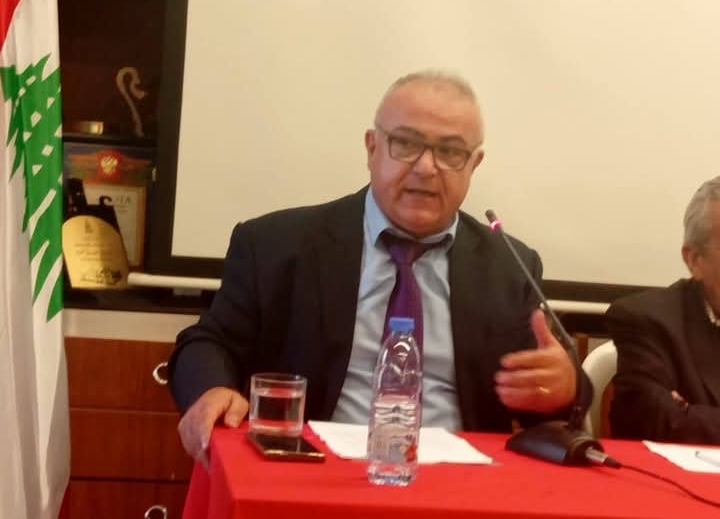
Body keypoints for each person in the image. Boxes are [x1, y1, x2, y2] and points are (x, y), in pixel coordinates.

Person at [169, 71, 590, 466]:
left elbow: (547, 397)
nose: (426, 167)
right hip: (311, 468)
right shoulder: (277, 245)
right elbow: (208, 342)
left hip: (459, 480)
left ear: (473, 165)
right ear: (372, 148)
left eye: (450, 152)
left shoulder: (509, 266)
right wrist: (211, 388)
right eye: (405, 144)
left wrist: (564, 389)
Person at [607, 175, 720, 444]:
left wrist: (694, 415)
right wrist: (681, 417)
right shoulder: (646, 319)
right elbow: (655, 422)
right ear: (694, 260)